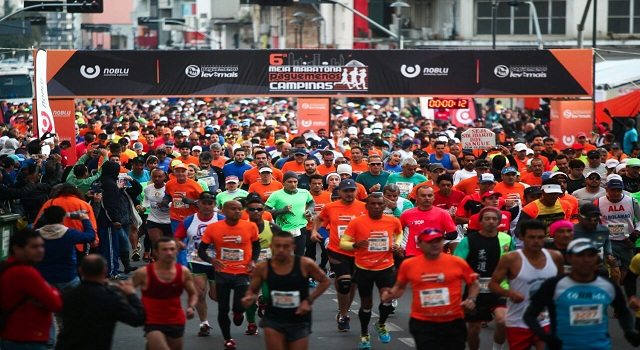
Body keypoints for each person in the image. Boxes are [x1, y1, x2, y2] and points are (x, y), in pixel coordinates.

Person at [525, 238, 640, 350]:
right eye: (580, 255)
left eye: (591, 255)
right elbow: (529, 315)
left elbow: (623, 312)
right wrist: (546, 337)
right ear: (569, 258)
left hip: (599, 346)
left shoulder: (608, 285)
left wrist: (628, 330)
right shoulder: (553, 285)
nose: (586, 260)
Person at [381, 228, 480, 350]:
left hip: (453, 320)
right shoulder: (409, 264)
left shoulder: (456, 262)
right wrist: (390, 294)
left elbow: (474, 282)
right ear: (419, 244)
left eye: (438, 241)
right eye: (429, 241)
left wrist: (471, 298)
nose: (434, 244)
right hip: (423, 321)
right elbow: (399, 288)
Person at [241, 229, 330, 350]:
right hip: (273, 319)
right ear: (271, 247)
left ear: (293, 247)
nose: (281, 250)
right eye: (278, 246)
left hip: (299, 318)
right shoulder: (263, 267)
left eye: (286, 246)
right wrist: (249, 297)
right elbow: (253, 290)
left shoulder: (305, 264)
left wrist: (308, 301)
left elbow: (325, 281)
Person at [340, 193, 403, 349]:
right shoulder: (357, 223)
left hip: (386, 266)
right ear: (366, 206)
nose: (376, 206)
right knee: (366, 303)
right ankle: (364, 333)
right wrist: (355, 245)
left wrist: (397, 244)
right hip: (364, 268)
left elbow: (399, 232)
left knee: (387, 299)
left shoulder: (392, 220)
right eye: (373, 203)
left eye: (379, 204)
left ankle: (380, 324)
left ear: (384, 206)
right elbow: (343, 243)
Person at [489, 219, 564, 350]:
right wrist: (509, 293)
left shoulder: (555, 257)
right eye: (531, 237)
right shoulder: (510, 259)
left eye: (540, 237)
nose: (536, 241)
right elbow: (493, 284)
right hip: (518, 321)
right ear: (521, 237)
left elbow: (561, 285)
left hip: (545, 320)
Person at [197, 200, 260, 350]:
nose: (237, 211)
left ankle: (239, 313)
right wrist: (211, 260)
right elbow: (201, 250)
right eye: (233, 209)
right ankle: (228, 339)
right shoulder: (214, 228)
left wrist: (253, 261)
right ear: (223, 211)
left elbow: (256, 245)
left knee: (238, 306)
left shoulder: (250, 226)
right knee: (223, 308)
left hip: (242, 272)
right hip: (222, 273)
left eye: (240, 209)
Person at [454, 207, 514, 350]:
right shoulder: (468, 241)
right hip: (476, 290)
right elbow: (456, 264)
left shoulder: (506, 239)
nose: (491, 222)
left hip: (500, 287)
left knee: (502, 321)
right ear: (480, 221)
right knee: (473, 330)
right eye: (487, 218)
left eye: (494, 219)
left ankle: (496, 348)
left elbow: (513, 261)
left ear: (499, 222)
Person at [55, 255, 145, 350]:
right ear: (105, 271)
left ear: (81, 271)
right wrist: (131, 294)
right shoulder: (110, 298)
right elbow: (138, 318)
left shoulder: (68, 295)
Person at [311, 179, 367, 332]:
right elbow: (318, 219)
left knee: (352, 283)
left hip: (358, 251)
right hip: (337, 250)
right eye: (346, 191)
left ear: (356, 191)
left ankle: (345, 310)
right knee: (344, 283)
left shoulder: (364, 207)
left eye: (352, 190)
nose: (349, 194)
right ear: (340, 192)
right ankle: (343, 315)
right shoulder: (330, 207)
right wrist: (315, 231)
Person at [0, 228, 63, 350]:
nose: (40, 250)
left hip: (13, 336)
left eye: (41, 246)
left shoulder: (8, 267)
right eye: (34, 247)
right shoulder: (26, 273)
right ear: (17, 248)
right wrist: (53, 291)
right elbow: (56, 303)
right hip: (28, 339)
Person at [131, 237, 198, 350]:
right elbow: (128, 289)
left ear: (176, 251)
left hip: (176, 320)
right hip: (152, 321)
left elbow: (193, 293)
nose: (169, 253)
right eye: (165, 249)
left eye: (172, 249)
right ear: (156, 252)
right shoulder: (144, 273)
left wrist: (191, 307)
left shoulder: (183, 272)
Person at [174, 191, 225, 337]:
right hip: (195, 259)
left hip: (216, 262)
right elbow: (177, 237)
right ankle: (204, 323)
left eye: (210, 203)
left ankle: (213, 291)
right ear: (198, 203)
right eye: (204, 203)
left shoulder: (221, 219)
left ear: (214, 205)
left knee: (216, 296)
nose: (207, 206)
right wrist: (179, 244)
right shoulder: (189, 220)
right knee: (200, 292)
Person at [36, 205, 95, 293]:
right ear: (63, 218)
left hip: (45, 278)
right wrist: (85, 219)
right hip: (67, 277)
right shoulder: (70, 234)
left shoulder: (36, 235)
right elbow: (90, 236)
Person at [595, 176, 640, 284]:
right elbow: (594, 222)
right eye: (613, 190)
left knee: (624, 276)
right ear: (606, 189)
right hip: (609, 242)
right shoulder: (598, 202)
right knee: (615, 273)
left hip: (627, 242)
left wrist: (636, 233)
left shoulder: (631, 201)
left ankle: (619, 294)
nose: (616, 193)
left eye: (619, 190)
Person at [265, 171, 314, 257]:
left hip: (300, 228)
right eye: (289, 182)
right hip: (283, 230)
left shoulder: (304, 192)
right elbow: (265, 211)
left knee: (299, 255)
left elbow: (311, 202)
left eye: (295, 182)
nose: (293, 184)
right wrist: (282, 211)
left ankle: (297, 270)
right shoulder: (276, 195)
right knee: (283, 255)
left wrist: (309, 210)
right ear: (283, 183)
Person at [400, 186, 457, 258]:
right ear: (417, 197)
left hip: (435, 255)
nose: (427, 198)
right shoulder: (406, 214)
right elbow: (398, 231)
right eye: (423, 195)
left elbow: (453, 234)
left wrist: (436, 237)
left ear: (434, 197)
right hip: (412, 254)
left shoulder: (443, 213)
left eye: (430, 195)